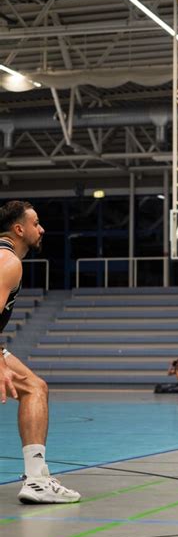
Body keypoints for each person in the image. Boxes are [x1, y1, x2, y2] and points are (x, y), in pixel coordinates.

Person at [0, 200, 80, 503]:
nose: (42, 228)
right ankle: (35, 481)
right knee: (34, 389)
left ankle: (36, 478)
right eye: (36, 223)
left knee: (35, 387)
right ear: (19, 229)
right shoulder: (8, 261)